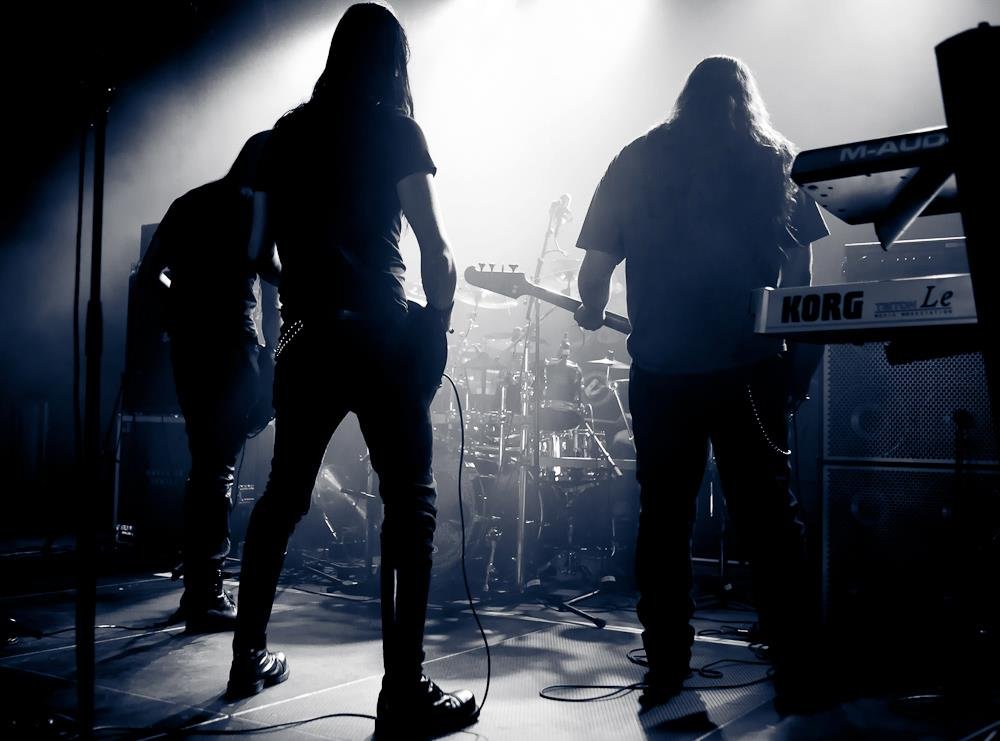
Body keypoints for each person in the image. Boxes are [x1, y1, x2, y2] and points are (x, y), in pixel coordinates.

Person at [225, 4, 477, 737]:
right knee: (411, 504)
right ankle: (403, 690)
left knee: (282, 496)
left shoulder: (281, 138)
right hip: (382, 334)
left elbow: (254, 255)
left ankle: (247, 655)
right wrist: (436, 325)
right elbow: (437, 250)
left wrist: (309, 297)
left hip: (309, 338)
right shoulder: (398, 130)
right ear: (394, 61)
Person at [573, 56, 829, 710]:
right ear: (748, 100)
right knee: (770, 519)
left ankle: (666, 667)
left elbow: (594, 269)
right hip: (751, 371)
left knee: (663, 519)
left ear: (684, 99)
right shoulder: (776, 161)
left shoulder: (636, 157)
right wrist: (796, 370)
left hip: (663, 373)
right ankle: (798, 668)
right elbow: (803, 279)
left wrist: (592, 307)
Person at [136, 130, 279, 633]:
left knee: (205, 466)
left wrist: (180, 306)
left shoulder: (191, 201)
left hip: (189, 349)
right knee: (218, 470)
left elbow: (150, 274)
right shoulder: (261, 209)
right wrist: (272, 358)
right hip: (233, 350)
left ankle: (200, 585)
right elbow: (274, 289)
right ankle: (206, 593)